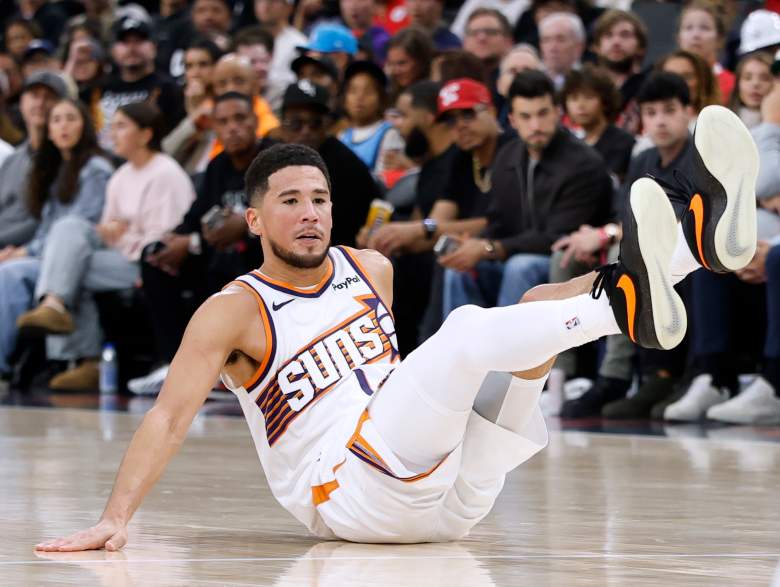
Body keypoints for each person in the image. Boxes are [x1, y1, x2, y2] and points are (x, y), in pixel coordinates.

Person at [34, 104, 759, 548]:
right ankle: (629, 297)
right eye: (290, 201)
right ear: (254, 219)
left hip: (455, 498)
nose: (311, 213)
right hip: (351, 495)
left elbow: (419, 389)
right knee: (468, 329)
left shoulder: (369, 267)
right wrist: (114, 518)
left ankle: (694, 246)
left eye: (319, 198)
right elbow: (167, 418)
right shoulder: (233, 309)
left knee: (539, 304)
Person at [15, 102, 195, 390]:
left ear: (146, 134)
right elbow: (110, 228)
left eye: (121, 126)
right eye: (112, 127)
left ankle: (83, 353)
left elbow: (164, 239)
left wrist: (121, 234)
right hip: (120, 255)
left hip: (148, 265)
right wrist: (111, 232)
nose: (113, 134)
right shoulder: (121, 175)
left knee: (71, 268)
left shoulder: (165, 173)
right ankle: (59, 314)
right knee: (69, 230)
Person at [129, 92, 276, 395]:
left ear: (255, 121)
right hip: (214, 259)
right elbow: (194, 218)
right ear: (215, 129)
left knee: (236, 253)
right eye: (223, 122)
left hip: (263, 261)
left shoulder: (274, 161)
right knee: (154, 258)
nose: (232, 128)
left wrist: (244, 228)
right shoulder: (218, 166)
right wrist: (173, 241)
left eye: (240, 119)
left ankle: (234, 368)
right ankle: (174, 365)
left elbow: (286, 218)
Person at [440, 70, 612, 314]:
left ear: (557, 113)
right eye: (526, 116)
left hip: (568, 265)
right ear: (512, 120)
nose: (535, 126)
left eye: (543, 114)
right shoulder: (507, 156)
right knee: (459, 268)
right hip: (516, 254)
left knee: (520, 266)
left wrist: (491, 248)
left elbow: (557, 238)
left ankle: (508, 340)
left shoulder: (583, 163)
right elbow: (498, 220)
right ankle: (460, 339)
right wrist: (473, 245)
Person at [0, 98, 113, 380]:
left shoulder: (96, 168)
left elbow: (82, 225)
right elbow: (45, 230)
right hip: (50, 252)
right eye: (57, 120)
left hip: (89, 249)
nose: (64, 126)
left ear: (85, 126)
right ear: (48, 131)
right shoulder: (55, 171)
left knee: (21, 271)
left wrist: (26, 252)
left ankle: (73, 352)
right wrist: (20, 251)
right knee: (9, 271)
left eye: (71, 119)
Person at [278, 80, 379, 248]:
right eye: (296, 124)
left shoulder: (348, 167)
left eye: (315, 123)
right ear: (282, 126)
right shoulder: (272, 161)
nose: (306, 131)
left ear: (326, 126)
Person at [92, 17, 185, 152]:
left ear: (153, 47)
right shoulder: (100, 88)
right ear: (113, 51)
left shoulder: (167, 89)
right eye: (125, 42)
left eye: (139, 41)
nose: (132, 48)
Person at [0, 72, 69, 248]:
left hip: (28, 250)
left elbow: (46, 220)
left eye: (49, 97)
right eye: (34, 95)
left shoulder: (67, 159)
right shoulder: (11, 159)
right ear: (21, 102)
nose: (40, 103)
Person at [561, 65, 635, 182]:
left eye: (589, 97)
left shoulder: (623, 143)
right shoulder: (568, 143)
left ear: (604, 102)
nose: (580, 105)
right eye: (574, 98)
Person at [161, 38, 224, 175]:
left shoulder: (227, 101)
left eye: (203, 64)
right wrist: (193, 115)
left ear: (218, 66)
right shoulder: (175, 100)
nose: (195, 72)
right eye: (189, 66)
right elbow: (166, 152)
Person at [338, 61, 403, 179]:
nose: (359, 97)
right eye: (353, 91)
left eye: (368, 92)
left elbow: (385, 178)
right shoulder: (342, 137)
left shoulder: (389, 134)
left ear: (381, 98)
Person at [591, 9, 649, 135]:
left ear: (640, 46)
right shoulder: (586, 87)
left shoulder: (650, 86)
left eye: (625, 35)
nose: (616, 42)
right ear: (597, 47)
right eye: (608, 35)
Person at [677, 0, 735, 103]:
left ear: (720, 39)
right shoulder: (665, 79)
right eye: (688, 28)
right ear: (679, 38)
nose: (695, 35)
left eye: (704, 28)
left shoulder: (733, 85)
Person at [538, 12, 585, 91]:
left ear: (578, 47)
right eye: (546, 40)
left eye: (560, 40)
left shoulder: (590, 82)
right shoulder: (532, 80)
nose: (552, 48)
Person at [385, 27, 435, 100]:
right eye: (391, 64)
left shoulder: (439, 94)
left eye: (402, 63)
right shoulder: (389, 92)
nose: (395, 71)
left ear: (421, 61)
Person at [728, 52, 773, 129]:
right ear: (738, 83)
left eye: (764, 78)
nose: (755, 83)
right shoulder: (722, 121)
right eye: (747, 78)